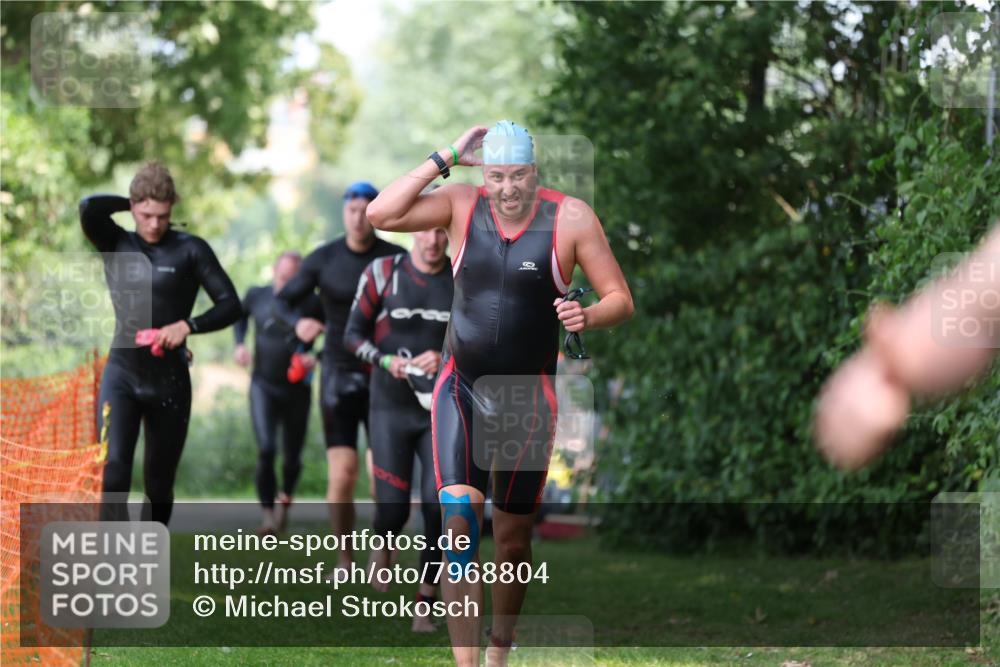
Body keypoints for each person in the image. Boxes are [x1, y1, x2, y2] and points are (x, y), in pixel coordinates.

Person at [366, 121, 634, 667]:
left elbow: (620, 299)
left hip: (526, 400)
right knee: (459, 528)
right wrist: (447, 155)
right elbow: (381, 214)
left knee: (511, 542)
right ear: (482, 173)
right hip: (460, 388)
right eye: (496, 177)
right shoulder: (462, 203)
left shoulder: (571, 218)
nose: (507, 188)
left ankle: (499, 648)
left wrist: (587, 316)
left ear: (534, 172)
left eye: (517, 176)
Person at [80, 161, 241, 525]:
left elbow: (231, 305)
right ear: (133, 209)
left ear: (172, 212)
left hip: (169, 381)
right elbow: (89, 207)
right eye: (146, 215)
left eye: (163, 216)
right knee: (113, 473)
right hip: (122, 374)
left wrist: (188, 326)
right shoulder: (116, 241)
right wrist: (130, 201)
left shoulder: (191, 249)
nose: (154, 224)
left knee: (159, 484)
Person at [275, 182, 404, 570]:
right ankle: (344, 558)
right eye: (352, 210)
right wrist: (297, 324)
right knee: (342, 474)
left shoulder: (394, 258)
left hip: (383, 373)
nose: (358, 217)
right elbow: (282, 301)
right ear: (344, 213)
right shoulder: (324, 259)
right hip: (337, 371)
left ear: (375, 213)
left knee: (382, 474)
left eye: (366, 210)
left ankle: (383, 552)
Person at [815, 224, 1000, 470]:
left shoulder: (918, 375)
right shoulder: (895, 354)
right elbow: (877, 315)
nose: (844, 373)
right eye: (839, 390)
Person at [344, 226, 454, 633]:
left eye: (441, 232)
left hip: (439, 407)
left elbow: (481, 338)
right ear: (411, 231)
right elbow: (351, 335)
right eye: (424, 231)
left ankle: (424, 602)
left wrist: (446, 358)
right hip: (389, 405)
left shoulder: (462, 276)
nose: (432, 241)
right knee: (393, 510)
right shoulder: (383, 272)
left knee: (437, 506)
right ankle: (384, 538)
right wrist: (386, 361)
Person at [234, 251, 322, 535]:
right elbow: (239, 317)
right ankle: (268, 517)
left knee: (292, 457)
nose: (286, 284)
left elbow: (337, 332)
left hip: (298, 388)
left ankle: (285, 502)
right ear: (274, 271)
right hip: (263, 385)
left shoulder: (313, 302)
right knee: (266, 449)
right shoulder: (257, 295)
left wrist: (316, 357)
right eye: (283, 276)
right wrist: (239, 345)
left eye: (292, 279)